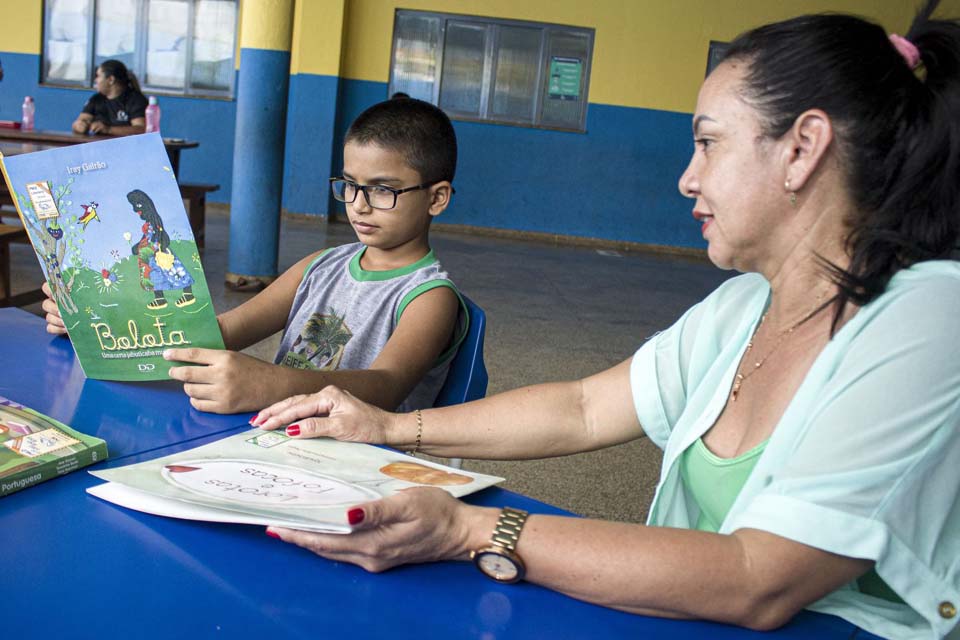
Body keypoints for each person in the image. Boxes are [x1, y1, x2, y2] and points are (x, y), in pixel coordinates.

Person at [251, 4, 960, 639]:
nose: (688, 177)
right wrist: (385, 427)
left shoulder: (928, 319)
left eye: (709, 143)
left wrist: (471, 529)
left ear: (802, 149)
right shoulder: (745, 305)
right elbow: (584, 408)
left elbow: (759, 578)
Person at [44, 98, 466, 415]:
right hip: (276, 441)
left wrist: (270, 384)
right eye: (350, 184)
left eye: (382, 190)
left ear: (437, 198)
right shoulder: (321, 266)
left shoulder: (430, 297)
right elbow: (223, 331)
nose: (358, 204)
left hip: (355, 466)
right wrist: (100, 326)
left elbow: (385, 386)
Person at [71, 60, 147, 136]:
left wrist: (108, 130)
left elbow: (141, 129)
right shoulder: (96, 99)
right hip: (97, 143)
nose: (95, 80)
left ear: (111, 80)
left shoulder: (136, 100)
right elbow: (81, 120)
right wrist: (79, 125)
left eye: (98, 76)